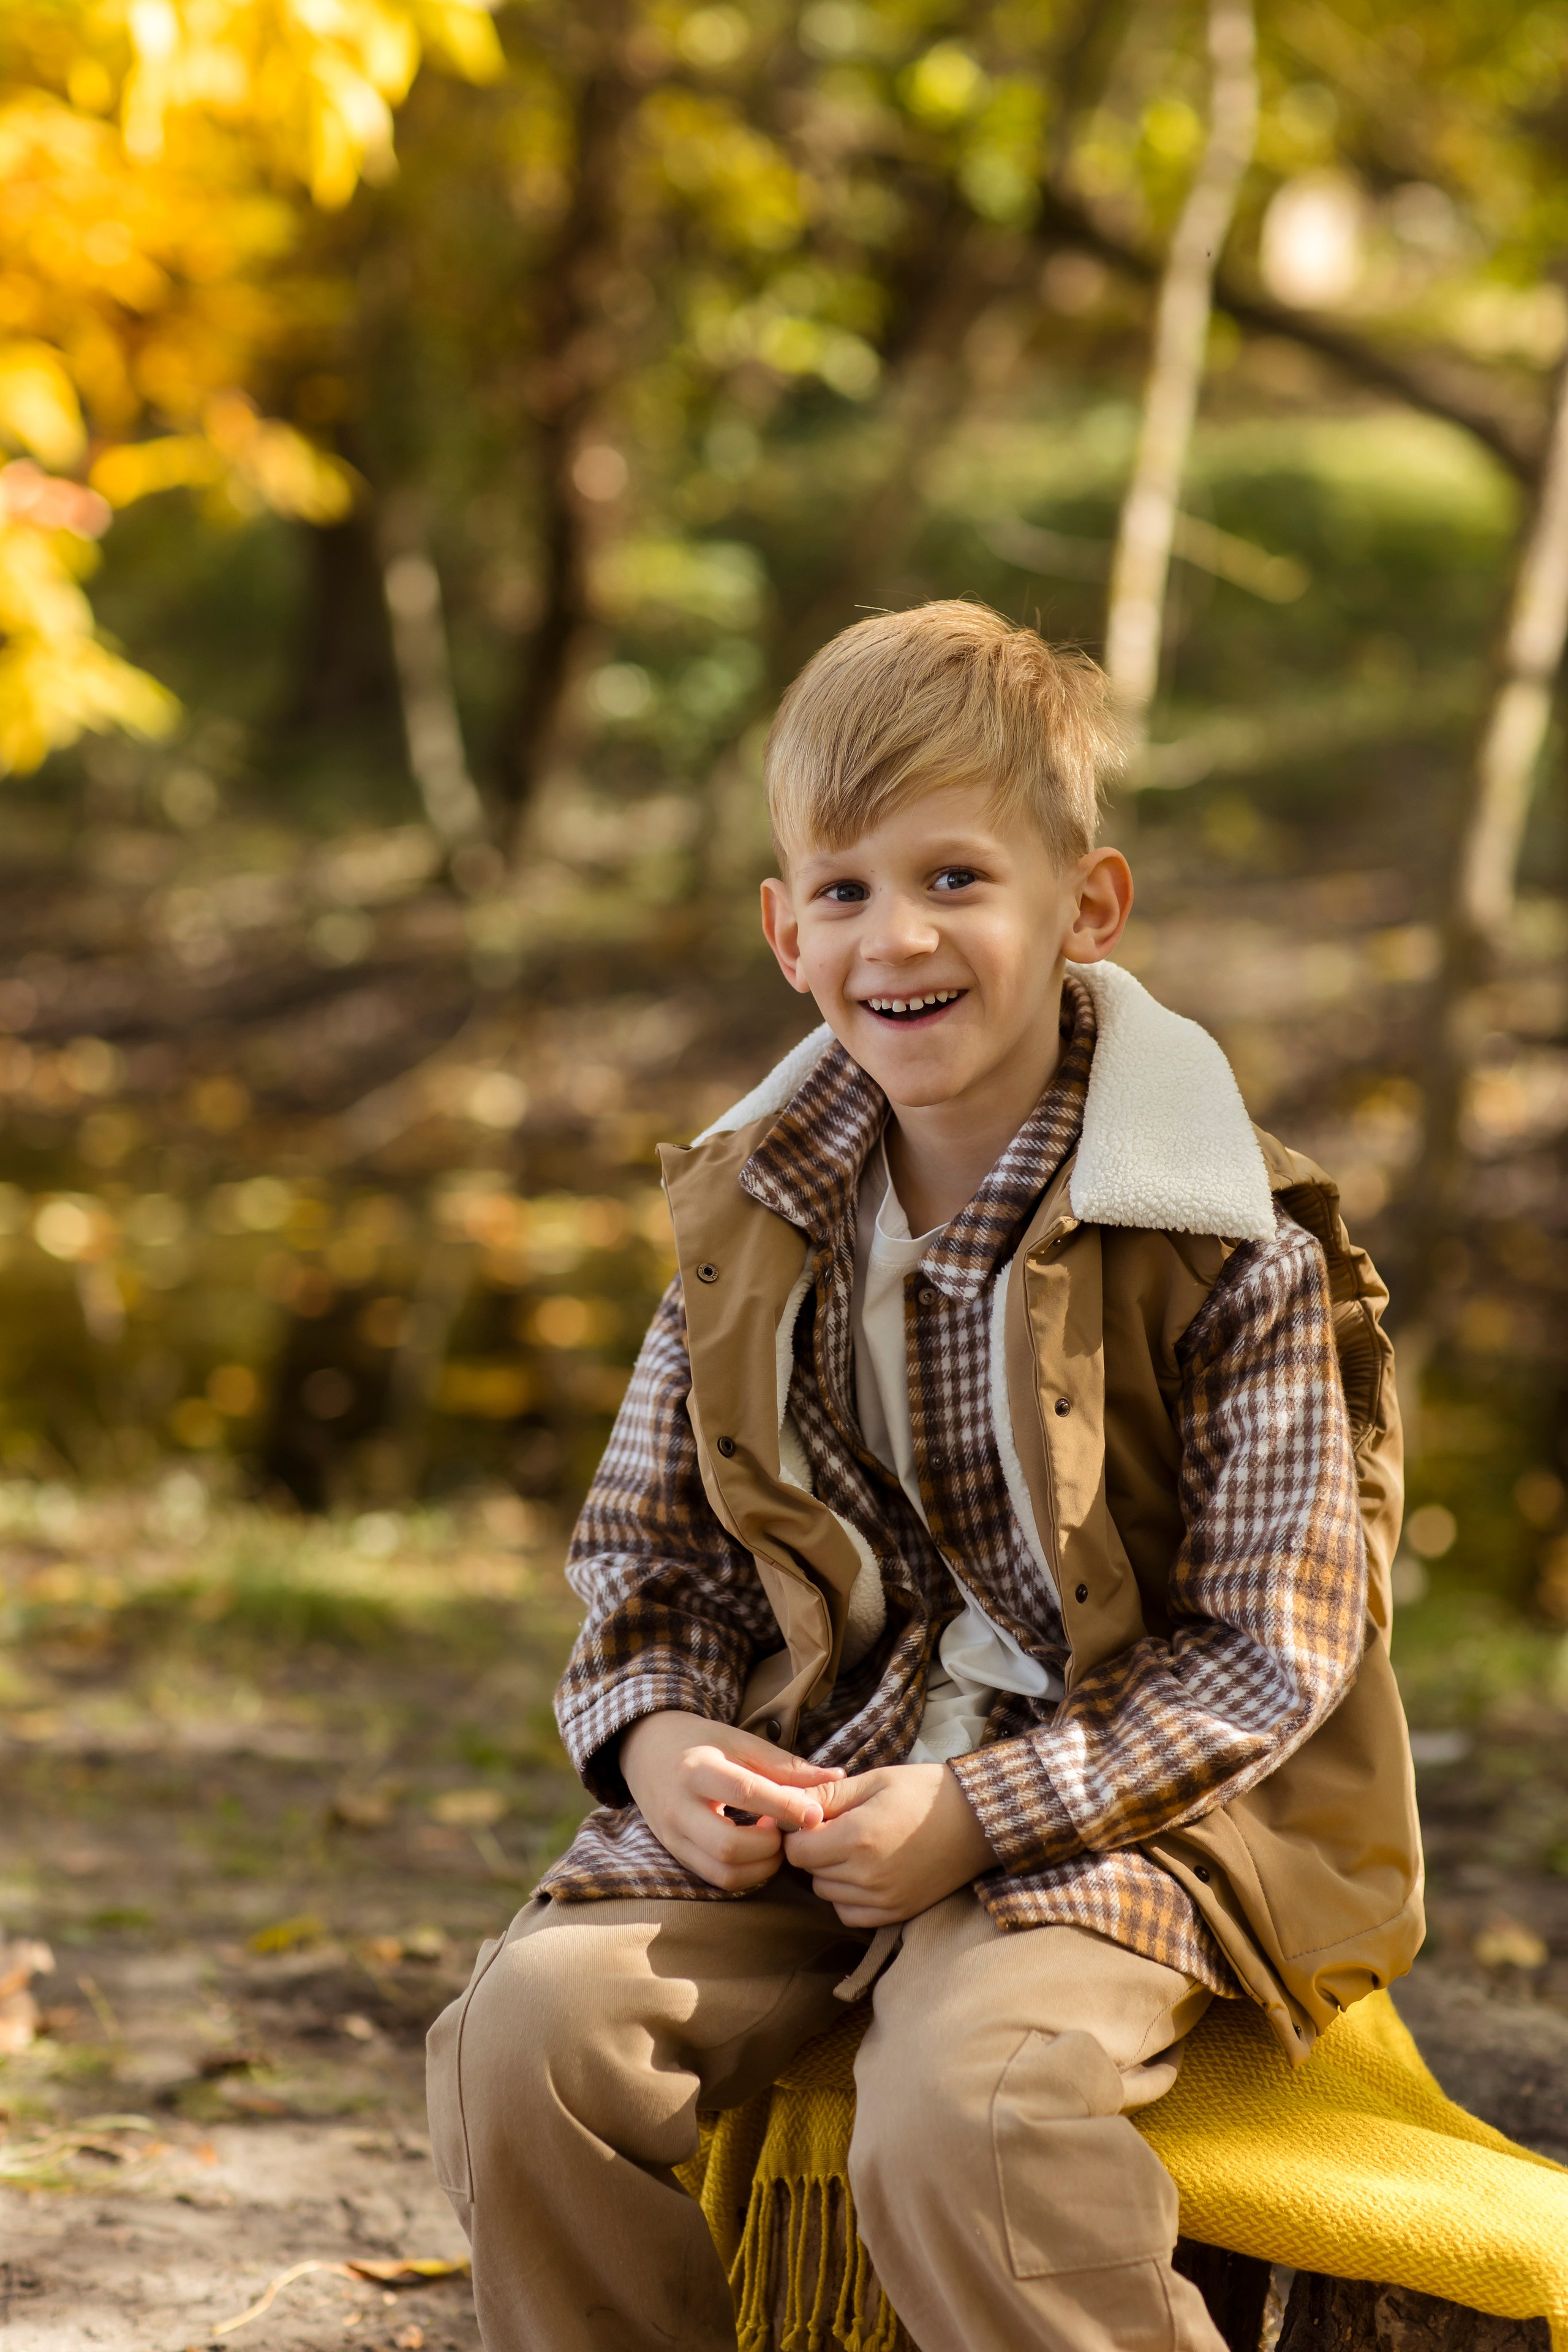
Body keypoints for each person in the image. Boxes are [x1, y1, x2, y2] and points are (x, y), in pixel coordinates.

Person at [427, 600, 1423, 2352]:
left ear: (1084, 907)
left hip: (1130, 1821)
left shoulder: (1225, 1242)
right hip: (830, 1791)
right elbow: (652, 1555)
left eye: (958, 878)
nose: (900, 932)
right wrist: (665, 1742)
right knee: (530, 2044)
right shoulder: (757, 1218)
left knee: (968, 2117)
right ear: (783, 933)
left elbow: (1274, 1647)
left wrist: (977, 1813)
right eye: (845, 888)